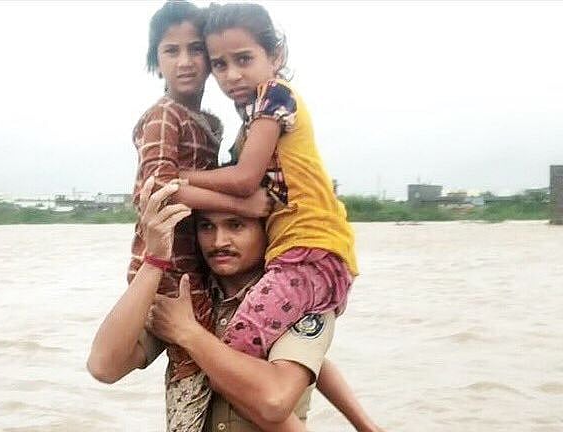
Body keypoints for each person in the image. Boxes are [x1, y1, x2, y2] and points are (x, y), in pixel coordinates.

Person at [88, 180, 383, 432]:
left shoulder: (297, 301)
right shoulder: (189, 297)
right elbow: (104, 366)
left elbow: (274, 400)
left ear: (268, 229)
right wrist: (154, 262)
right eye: (206, 226)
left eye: (236, 225)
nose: (219, 241)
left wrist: (188, 332)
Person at [179, 3, 358, 367]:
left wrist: (180, 176)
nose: (232, 75)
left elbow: (244, 179)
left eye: (244, 59)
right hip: (303, 252)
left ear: (276, 56)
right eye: (220, 65)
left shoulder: (275, 95)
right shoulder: (253, 116)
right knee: (280, 348)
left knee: (235, 348)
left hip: (308, 252)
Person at [125, 2, 273, 430]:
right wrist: (243, 205)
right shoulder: (163, 116)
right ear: (156, 60)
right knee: (194, 374)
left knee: (219, 365)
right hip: (169, 270)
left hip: (199, 264)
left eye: (195, 49)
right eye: (171, 51)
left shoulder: (209, 124)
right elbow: (156, 188)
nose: (186, 61)